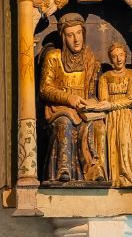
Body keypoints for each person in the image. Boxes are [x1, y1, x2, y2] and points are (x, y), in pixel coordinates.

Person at [38, 14, 102, 184]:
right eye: (70, 35)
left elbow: (91, 91)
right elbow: (45, 89)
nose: (76, 39)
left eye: (79, 33)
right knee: (65, 123)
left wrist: (94, 104)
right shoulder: (54, 57)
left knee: (98, 126)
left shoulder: (89, 57)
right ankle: (63, 171)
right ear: (63, 37)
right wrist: (69, 98)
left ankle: (95, 171)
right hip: (59, 109)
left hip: (83, 109)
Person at [98, 42, 132, 189]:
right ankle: (115, 178)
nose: (118, 59)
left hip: (125, 117)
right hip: (111, 117)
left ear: (126, 56)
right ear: (110, 59)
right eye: (114, 56)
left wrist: (113, 104)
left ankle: (129, 177)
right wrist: (112, 105)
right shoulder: (105, 77)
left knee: (125, 144)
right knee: (113, 145)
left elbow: (131, 98)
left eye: (121, 55)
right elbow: (103, 99)